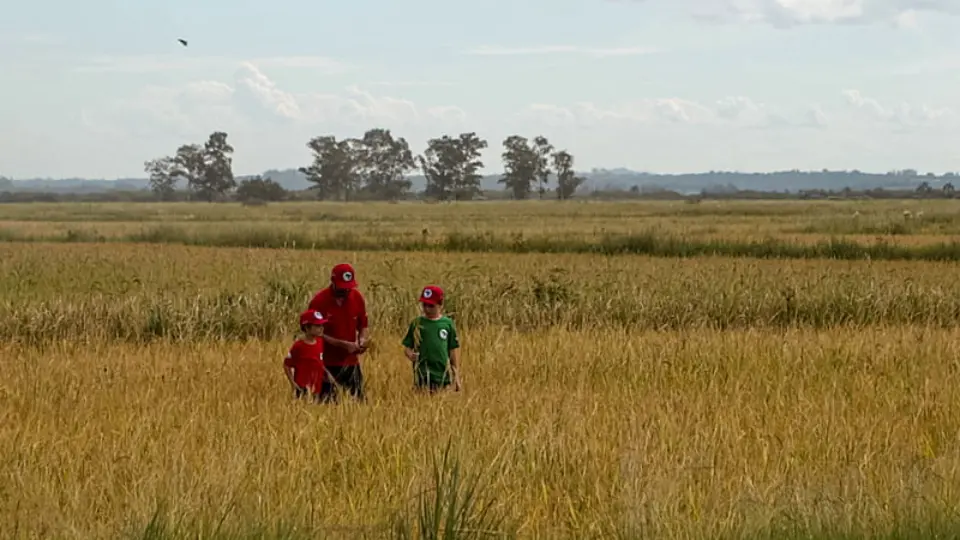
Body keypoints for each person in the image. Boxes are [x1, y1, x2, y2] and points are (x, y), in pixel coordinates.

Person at [307, 263, 370, 402]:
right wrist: (342, 344)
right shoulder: (319, 302)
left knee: (359, 404)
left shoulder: (357, 298)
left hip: (351, 363)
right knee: (326, 404)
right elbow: (314, 334)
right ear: (333, 282)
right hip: (325, 363)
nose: (346, 292)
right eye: (342, 288)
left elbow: (363, 325)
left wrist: (362, 340)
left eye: (349, 288)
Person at [402, 285, 461, 393]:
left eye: (431, 306)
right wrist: (410, 355)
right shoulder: (417, 323)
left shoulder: (447, 324)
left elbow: (452, 351)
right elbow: (407, 347)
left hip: (442, 375)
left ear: (440, 305)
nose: (427, 309)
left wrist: (456, 375)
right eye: (424, 305)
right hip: (422, 375)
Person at [283, 309, 333, 403]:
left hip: (318, 388)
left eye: (322, 325)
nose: (321, 328)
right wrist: (293, 384)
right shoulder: (298, 346)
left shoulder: (320, 342)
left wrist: (327, 375)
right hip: (302, 389)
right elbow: (287, 365)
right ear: (306, 328)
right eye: (317, 326)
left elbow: (319, 362)